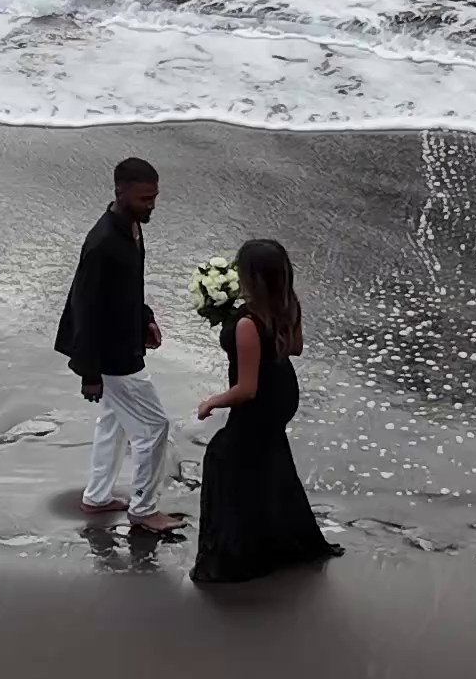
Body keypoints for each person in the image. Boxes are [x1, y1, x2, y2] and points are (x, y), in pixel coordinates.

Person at [191, 238, 338, 586]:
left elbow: (247, 389)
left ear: (250, 278)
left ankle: (238, 553)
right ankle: (281, 535)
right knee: (268, 459)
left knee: (223, 458)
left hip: (260, 400)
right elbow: (296, 348)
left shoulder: (248, 323)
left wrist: (212, 401)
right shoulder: (288, 305)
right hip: (284, 392)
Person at [55, 155, 180, 535]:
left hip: (124, 342)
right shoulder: (103, 243)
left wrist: (145, 318)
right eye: (145, 199)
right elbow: (86, 309)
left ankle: (97, 497)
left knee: (114, 423)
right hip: (111, 355)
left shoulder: (131, 228)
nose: (151, 205)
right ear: (120, 192)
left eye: (155, 197)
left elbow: (129, 287)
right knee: (155, 427)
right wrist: (89, 374)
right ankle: (143, 509)